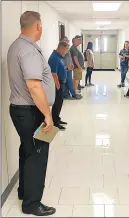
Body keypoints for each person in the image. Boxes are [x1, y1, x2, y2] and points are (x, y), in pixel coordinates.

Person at [7, 11, 56, 216]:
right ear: (38, 26)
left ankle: (23, 192)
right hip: (31, 111)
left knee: (27, 150)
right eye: (41, 25)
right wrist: (48, 115)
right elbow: (34, 86)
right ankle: (32, 204)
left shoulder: (15, 46)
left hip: (21, 110)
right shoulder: (28, 51)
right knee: (37, 154)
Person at [48, 41, 70, 131]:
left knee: (59, 103)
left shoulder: (59, 57)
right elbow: (53, 73)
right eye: (66, 49)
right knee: (57, 103)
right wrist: (57, 85)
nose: (66, 51)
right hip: (57, 83)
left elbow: (60, 68)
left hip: (61, 82)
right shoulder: (54, 57)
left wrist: (67, 68)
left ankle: (57, 119)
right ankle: (55, 123)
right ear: (62, 47)